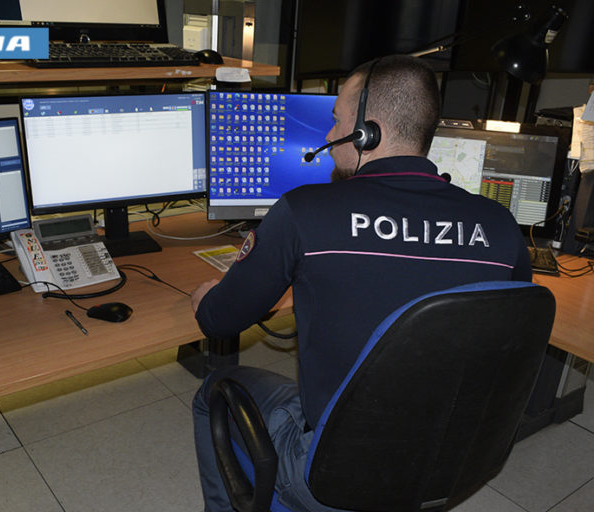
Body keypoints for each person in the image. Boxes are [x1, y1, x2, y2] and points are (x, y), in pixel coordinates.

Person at [190, 54, 532, 512]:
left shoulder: (305, 212)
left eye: (336, 121)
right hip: (452, 466)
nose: (328, 136)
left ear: (368, 132)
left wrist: (206, 297)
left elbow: (219, 321)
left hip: (334, 479)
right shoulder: (501, 226)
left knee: (213, 390)